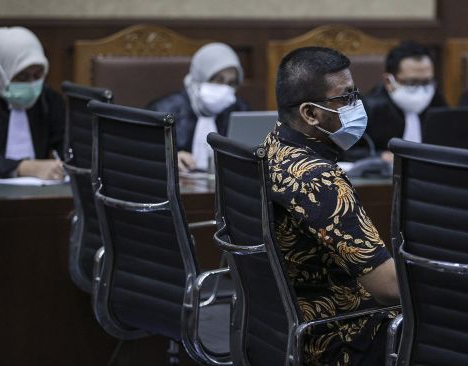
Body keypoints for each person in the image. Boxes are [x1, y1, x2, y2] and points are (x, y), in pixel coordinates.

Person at [265, 46, 400, 365]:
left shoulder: (272, 147)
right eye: (347, 98)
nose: (357, 106)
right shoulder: (319, 180)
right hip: (340, 337)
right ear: (310, 113)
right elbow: (388, 288)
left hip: (282, 329)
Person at [148, 42, 248, 173]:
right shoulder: (164, 110)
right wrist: (169, 158)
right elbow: (142, 151)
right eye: (218, 80)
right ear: (201, 76)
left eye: (231, 83)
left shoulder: (239, 110)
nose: (224, 88)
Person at [0, 26, 65, 179]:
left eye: (38, 75)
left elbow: (66, 146)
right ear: (0, 73)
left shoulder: (49, 99)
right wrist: (28, 167)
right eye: (22, 76)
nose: (31, 84)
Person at [363, 41, 447, 157]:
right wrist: (380, 156)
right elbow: (348, 152)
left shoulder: (437, 102)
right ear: (388, 81)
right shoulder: (370, 108)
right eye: (411, 82)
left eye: (426, 82)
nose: (421, 90)